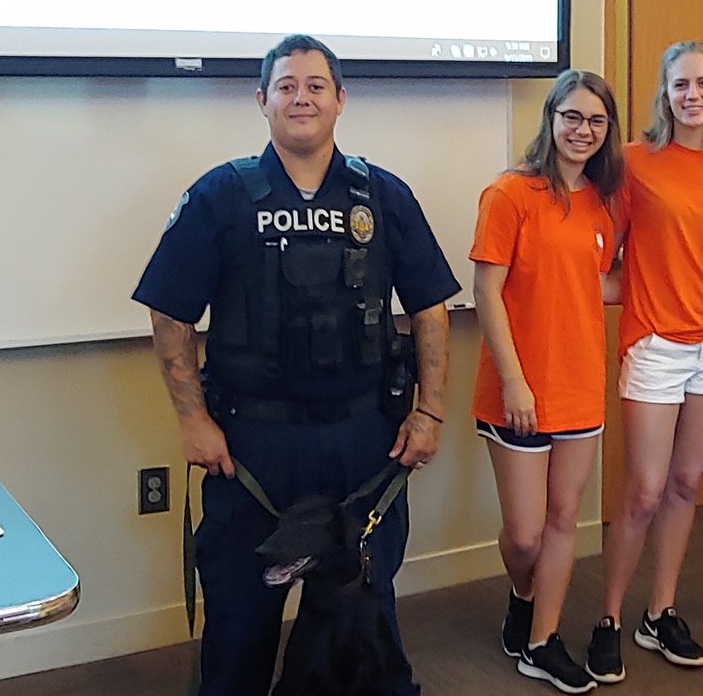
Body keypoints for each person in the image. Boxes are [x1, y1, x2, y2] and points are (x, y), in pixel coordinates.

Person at [133, 34, 459, 696]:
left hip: (365, 444)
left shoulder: (383, 196)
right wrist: (192, 420)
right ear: (262, 101)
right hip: (251, 447)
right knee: (240, 627)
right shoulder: (220, 196)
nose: (300, 97)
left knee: (360, 623)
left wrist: (429, 412)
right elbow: (171, 315)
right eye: (286, 86)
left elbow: (430, 308)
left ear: (340, 98)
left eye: (315, 85)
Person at [585, 40, 703, 684]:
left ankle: (660, 613)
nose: (693, 95)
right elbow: (603, 263)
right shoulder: (632, 163)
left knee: (687, 484)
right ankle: (608, 619)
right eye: (681, 84)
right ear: (665, 92)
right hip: (655, 347)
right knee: (645, 491)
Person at [471, 69, 624, 694]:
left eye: (595, 120)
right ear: (551, 120)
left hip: (580, 385)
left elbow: (600, 282)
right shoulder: (510, 194)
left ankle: (542, 639)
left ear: (606, 130)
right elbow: (486, 289)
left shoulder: (600, 203)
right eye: (572, 117)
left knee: (566, 519)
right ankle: (523, 592)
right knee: (528, 533)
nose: (582, 130)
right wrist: (514, 381)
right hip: (519, 392)